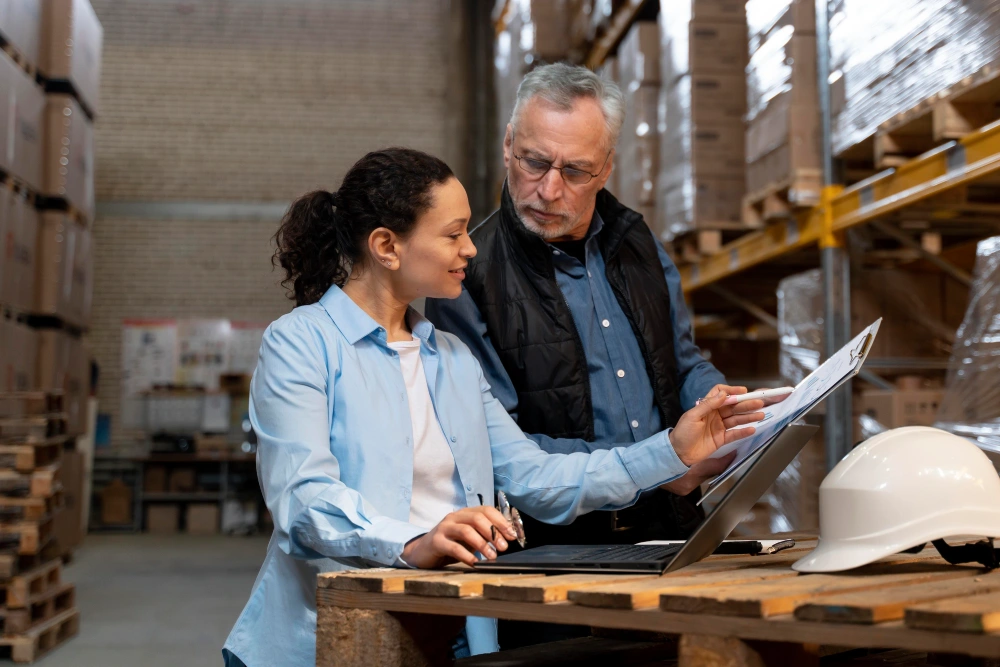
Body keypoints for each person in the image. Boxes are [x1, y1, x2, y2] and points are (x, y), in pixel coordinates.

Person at [221, 148, 761, 666]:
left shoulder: (451, 358)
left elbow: (535, 475)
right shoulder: (300, 343)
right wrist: (413, 543)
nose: (470, 248)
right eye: (453, 234)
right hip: (326, 639)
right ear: (387, 246)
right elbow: (302, 500)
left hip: (452, 631)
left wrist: (672, 450)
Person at [424, 63, 771, 648]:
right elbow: (505, 448)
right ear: (508, 146)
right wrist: (664, 463)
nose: (548, 189)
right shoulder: (469, 277)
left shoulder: (639, 244)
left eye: (575, 170)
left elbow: (681, 361)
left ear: (606, 167)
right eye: (534, 161)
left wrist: (727, 413)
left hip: (670, 534)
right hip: (551, 555)